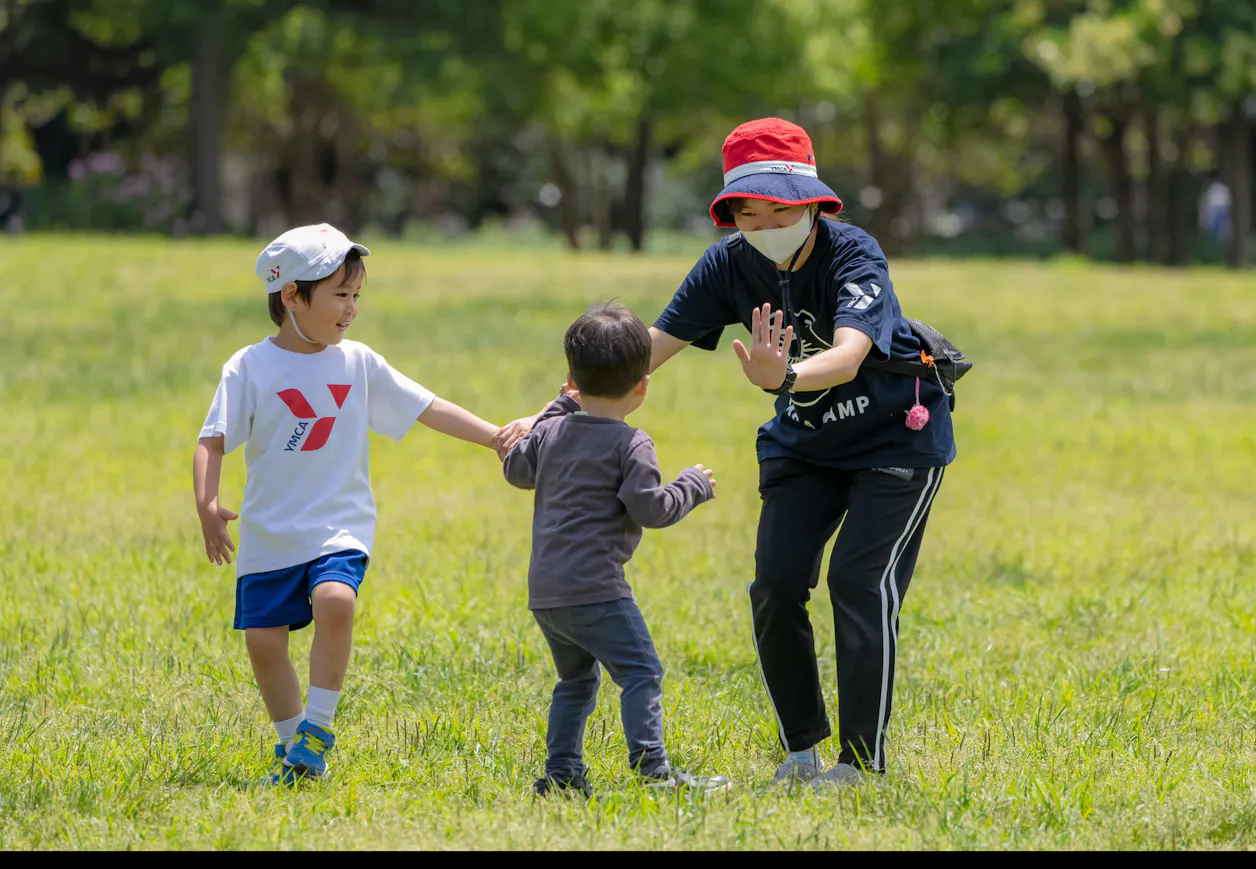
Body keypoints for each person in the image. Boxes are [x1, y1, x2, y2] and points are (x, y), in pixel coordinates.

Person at [496, 118, 956, 788]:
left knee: (858, 581)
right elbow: (639, 353)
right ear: (732, 213)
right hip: (805, 444)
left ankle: (862, 764)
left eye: (782, 210)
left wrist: (788, 377)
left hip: (896, 439)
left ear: (814, 204)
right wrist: (551, 412)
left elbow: (852, 353)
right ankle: (800, 754)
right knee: (774, 583)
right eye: (751, 212)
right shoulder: (728, 264)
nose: (768, 224)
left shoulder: (856, 254)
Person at [194, 224, 500, 785]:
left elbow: (427, 407)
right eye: (340, 294)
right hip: (270, 532)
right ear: (291, 296)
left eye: (357, 295)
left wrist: (496, 437)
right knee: (264, 644)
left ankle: (319, 727)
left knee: (336, 599)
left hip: (339, 525)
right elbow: (212, 439)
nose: (352, 308)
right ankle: (295, 752)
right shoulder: (249, 367)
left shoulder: (356, 363)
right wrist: (207, 504)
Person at [501, 302, 729, 797]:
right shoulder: (632, 444)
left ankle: (561, 775)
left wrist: (553, 410)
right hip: (596, 591)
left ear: (571, 379)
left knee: (576, 683)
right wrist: (691, 486)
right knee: (642, 672)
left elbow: (516, 470)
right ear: (643, 384)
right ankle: (653, 769)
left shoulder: (552, 430)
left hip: (547, 593)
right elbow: (651, 510)